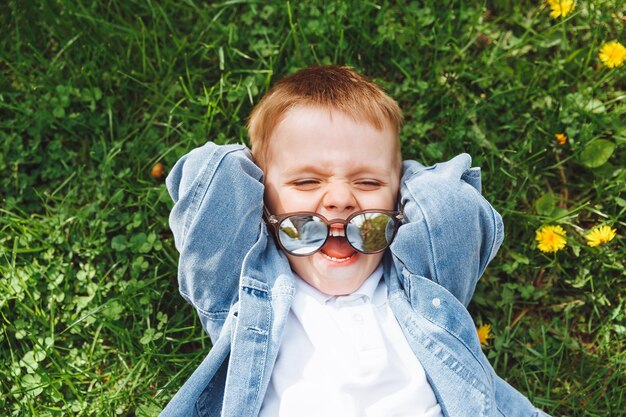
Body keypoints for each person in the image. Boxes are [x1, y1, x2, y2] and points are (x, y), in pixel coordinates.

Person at [160, 65, 550, 417]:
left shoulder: (421, 282)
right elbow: (215, 178)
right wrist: (262, 184)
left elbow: (453, 208)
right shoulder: (244, 287)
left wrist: (398, 182)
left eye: (367, 182)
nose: (341, 198)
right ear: (262, 200)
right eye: (306, 181)